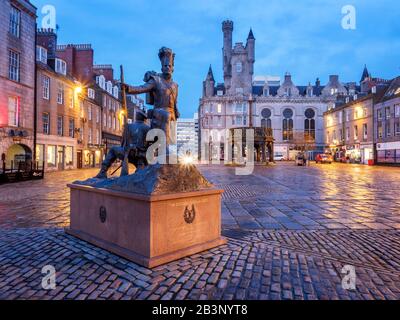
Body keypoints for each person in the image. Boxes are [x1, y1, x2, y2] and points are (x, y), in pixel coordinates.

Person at [95, 111, 150, 179]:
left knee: (112, 149)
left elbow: (123, 142)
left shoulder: (129, 126)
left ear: (136, 117)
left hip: (128, 153)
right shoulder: (148, 128)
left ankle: (102, 172)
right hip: (141, 155)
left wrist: (124, 154)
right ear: (144, 119)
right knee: (141, 171)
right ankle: (140, 167)